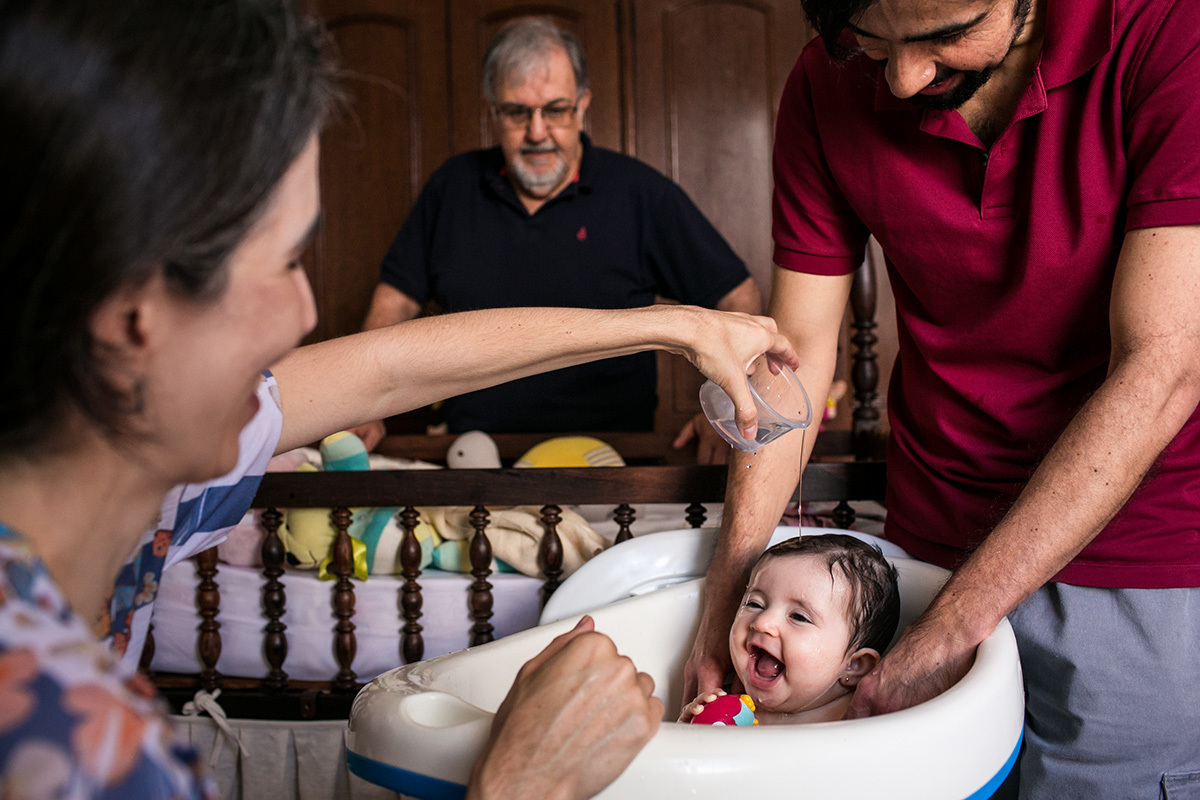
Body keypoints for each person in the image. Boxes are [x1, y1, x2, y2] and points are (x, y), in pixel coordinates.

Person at [0, 0, 801, 797]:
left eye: (555, 109)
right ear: (135, 316)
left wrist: (678, 327)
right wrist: (518, 780)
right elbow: (383, 355)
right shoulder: (81, 753)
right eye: (281, 263)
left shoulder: (155, 482)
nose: (307, 316)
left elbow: (388, 366)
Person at [685, 0, 1200, 796]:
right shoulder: (827, 78)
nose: (902, 78)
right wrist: (729, 591)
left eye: (944, 36)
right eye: (872, 43)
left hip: (1138, 556)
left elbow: (1162, 365)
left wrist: (959, 623)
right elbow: (799, 355)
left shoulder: (1171, 33)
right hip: (929, 538)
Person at [351, 16, 761, 464]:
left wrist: (724, 404)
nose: (537, 132)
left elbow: (739, 298)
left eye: (556, 109)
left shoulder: (639, 193)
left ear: (582, 105)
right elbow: (393, 305)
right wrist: (361, 402)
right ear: (493, 110)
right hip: (476, 462)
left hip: (614, 466)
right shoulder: (451, 188)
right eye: (517, 112)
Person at [680, 534, 899, 725]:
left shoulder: (856, 720)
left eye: (798, 617)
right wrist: (692, 727)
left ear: (854, 665)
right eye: (754, 604)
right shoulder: (726, 704)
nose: (763, 622)